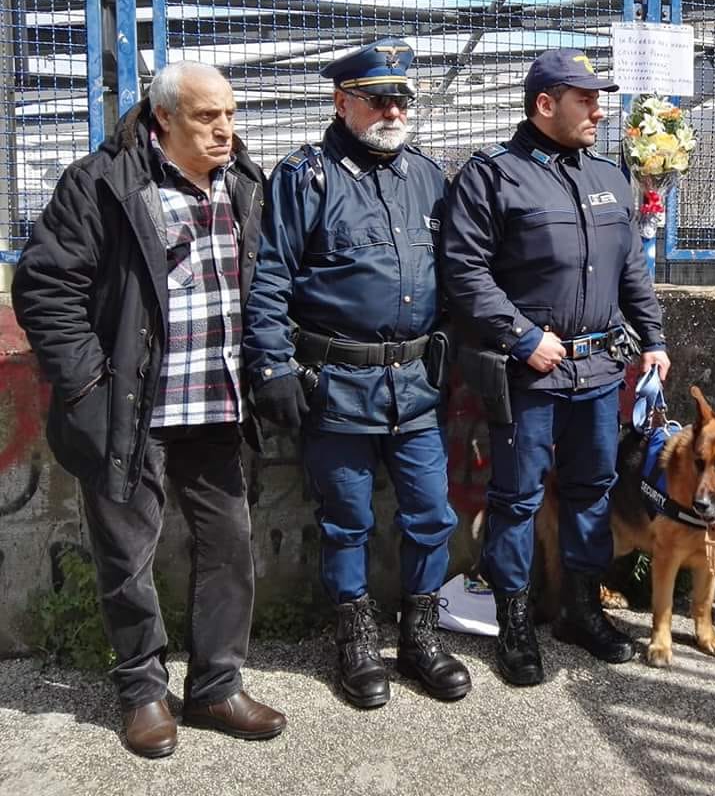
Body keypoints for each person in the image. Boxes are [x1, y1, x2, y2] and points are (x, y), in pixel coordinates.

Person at [12, 61, 286, 758]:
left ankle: (217, 685)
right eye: (206, 116)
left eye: (230, 112)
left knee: (229, 546)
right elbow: (46, 288)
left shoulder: (246, 184)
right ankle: (141, 691)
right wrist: (88, 388)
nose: (225, 129)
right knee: (126, 555)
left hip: (218, 404)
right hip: (128, 409)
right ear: (164, 118)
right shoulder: (101, 183)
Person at [242, 38, 468, 709]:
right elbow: (270, 277)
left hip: (415, 387)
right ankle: (355, 641)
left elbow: (454, 278)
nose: (393, 109)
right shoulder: (304, 176)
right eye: (377, 97)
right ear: (342, 103)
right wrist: (271, 365)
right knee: (346, 520)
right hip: (336, 386)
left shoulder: (428, 177)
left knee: (431, 515)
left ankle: (421, 635)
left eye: (401, 97)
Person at [443, 47, 669, 686]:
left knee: (591, 490)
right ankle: (515, 619)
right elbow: (464, 270)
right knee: (515, 499)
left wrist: (653, 337)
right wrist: (520, 337)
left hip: (599, 375)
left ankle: (579, 609)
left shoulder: (610, 176)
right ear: (546, 104)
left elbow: (630, 268)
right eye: (586, 98)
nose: (600, 109)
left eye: (599, 96)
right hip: (530, 375)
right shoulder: (493, 175)